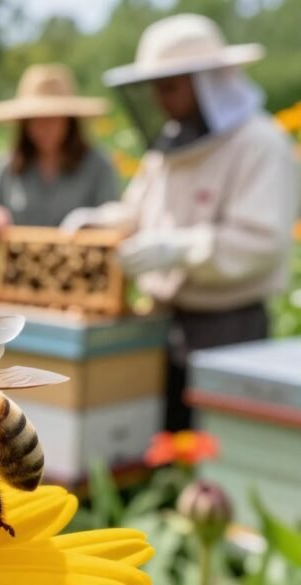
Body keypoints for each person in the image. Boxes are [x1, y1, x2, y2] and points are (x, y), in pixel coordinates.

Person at [60, 14, 300, 430]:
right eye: (153, 88)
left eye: (168, 86)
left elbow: (262, 243)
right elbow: (138, 212)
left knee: (214, 455)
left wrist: (177, 250)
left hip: (228, 328)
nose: (158, 99)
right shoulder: (169, 146)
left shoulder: (260, 143)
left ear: (207, 81)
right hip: (160, 320)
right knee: (164, 443)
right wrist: (99, 224)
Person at [0, 64, 118, 243]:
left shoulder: (97, 165)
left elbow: (114, 219)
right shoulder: (7, 164)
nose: (44, 127)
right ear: (25, 123)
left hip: (82, 267)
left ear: (69, 121)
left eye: (52, 118)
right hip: (20, 268)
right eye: (36, 119)